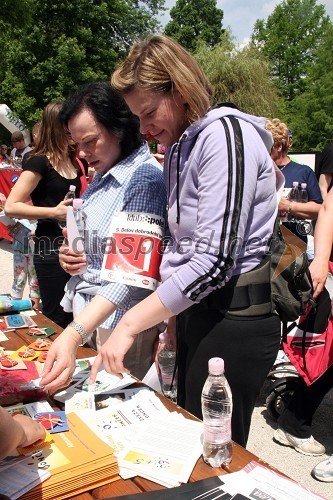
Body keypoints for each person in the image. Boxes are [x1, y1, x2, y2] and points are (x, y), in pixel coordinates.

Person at [68, 34, 281, 448]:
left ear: (180, 89)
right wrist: (169, 321)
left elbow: (216, 259)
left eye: (148, 113)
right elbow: (181, 250)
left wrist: (130, 324)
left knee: (216, 451)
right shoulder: (184, 146)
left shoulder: (224, 134)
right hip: (198, 314)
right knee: (189, 440)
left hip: (234, 319)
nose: (145, 129)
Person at [40, 81, 166, 388]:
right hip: (94, 318)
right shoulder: (104, 174)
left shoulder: (143, 179)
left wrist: (73, 333)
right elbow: (99, 247)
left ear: (120, 128)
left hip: (122, 325)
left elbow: (130, 275)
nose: (82, 153)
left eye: (90, 141)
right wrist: (73, 256)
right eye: (76, 144)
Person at [5, 101, 84, 327]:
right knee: (56, 315)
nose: (73, 129)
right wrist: (54, 211)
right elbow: (12, 205)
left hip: (73, 244)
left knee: (77, 315)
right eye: (69, 124)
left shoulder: (72, 160)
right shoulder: (40, 161)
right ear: (58, 126)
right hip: (49, 245)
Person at [273, 187, 333, 460]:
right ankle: (294, 423)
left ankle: (293, 422)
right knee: (324, 356)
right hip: (299, 248)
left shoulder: (302, 173)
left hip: (301, 247)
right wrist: (320, 258)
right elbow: (327, 209)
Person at [266, 118, 322, 243]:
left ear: (279, 146)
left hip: (296, 244)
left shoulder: (304, 172)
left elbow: (319, 209)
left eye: (267, 144)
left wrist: (288, 206)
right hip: (263, 244)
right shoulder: (259, 172)